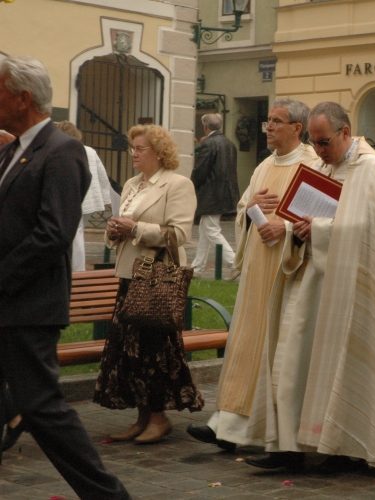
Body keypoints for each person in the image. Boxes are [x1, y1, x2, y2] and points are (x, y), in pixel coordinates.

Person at [243, 101, 375, 472]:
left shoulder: (370, 169)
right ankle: (289, 444)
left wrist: (319, 229)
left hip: (353, 288)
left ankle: (346, 447)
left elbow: (369, 229)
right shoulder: (320, 164)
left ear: (346, 132)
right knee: (293, 356)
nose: (319, 151)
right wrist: (291, 229)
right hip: (310, 274)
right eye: (314, 143)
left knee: (346, 364)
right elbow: (299, 213)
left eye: (325, 142)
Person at [0, 55, 129, 498]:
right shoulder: (12, 149)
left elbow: (53, 233)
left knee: (42, 408)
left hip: (28, 305)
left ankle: (108, 495)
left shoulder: (62, 150)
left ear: (21, 97)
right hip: (11, 303)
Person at [185, 98, 319, 450]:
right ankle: (227, 423)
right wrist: (251, 210)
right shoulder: (263, 166)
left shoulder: (313, 165)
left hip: (288, 271)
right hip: (259, 267)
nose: (269, 127)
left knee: (274, 349)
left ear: (297, 128)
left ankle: (263, 428)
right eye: (268, 121)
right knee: (246, 348)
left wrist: (286, 230)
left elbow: (317, 219)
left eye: (277, 121)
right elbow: (245, 207)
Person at [94, 124, 203, 444]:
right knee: (129, 351)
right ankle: (141, 416)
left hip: (157, 277)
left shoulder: (177, 184)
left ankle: (159, 417)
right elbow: (122, 227)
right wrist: (114, 232)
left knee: (154, 349)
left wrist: (136, 228)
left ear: (159, 152)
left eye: (140, 149)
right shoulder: (130, 185)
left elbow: (179, 234)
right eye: (132, 148)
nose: (133, 154)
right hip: (129, 275)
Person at [54, 120, 112, 272]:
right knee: (78, 233)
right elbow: (102, 177)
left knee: (72, 234)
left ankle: (74, 270)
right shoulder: (90, 151)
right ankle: (77, 270)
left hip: (69, 198)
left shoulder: (58, 149)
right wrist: (105, 199)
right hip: (89, 199)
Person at [191, 113, 241, 276]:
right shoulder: (230, 144)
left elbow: (200, 171)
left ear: (205, 127)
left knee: (211, 230)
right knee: (206, 230)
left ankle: (235, 263)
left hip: (211, 195)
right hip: (226, 194)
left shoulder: (208, 144)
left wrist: (191, 186)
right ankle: (197, 267)